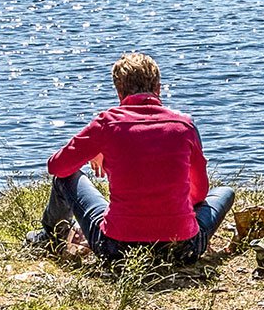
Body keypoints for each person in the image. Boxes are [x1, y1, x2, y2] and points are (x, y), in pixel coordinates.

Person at [41, 53, 237, 263]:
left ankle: (51, 238)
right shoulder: (184, 125)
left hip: (115, 249)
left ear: (119, 92)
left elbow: (57, 166)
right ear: (158, 88)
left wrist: (96, 149)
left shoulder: (107, 124)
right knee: (225, 192)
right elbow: (199, 194)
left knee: (65, 178)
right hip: (183, 249)